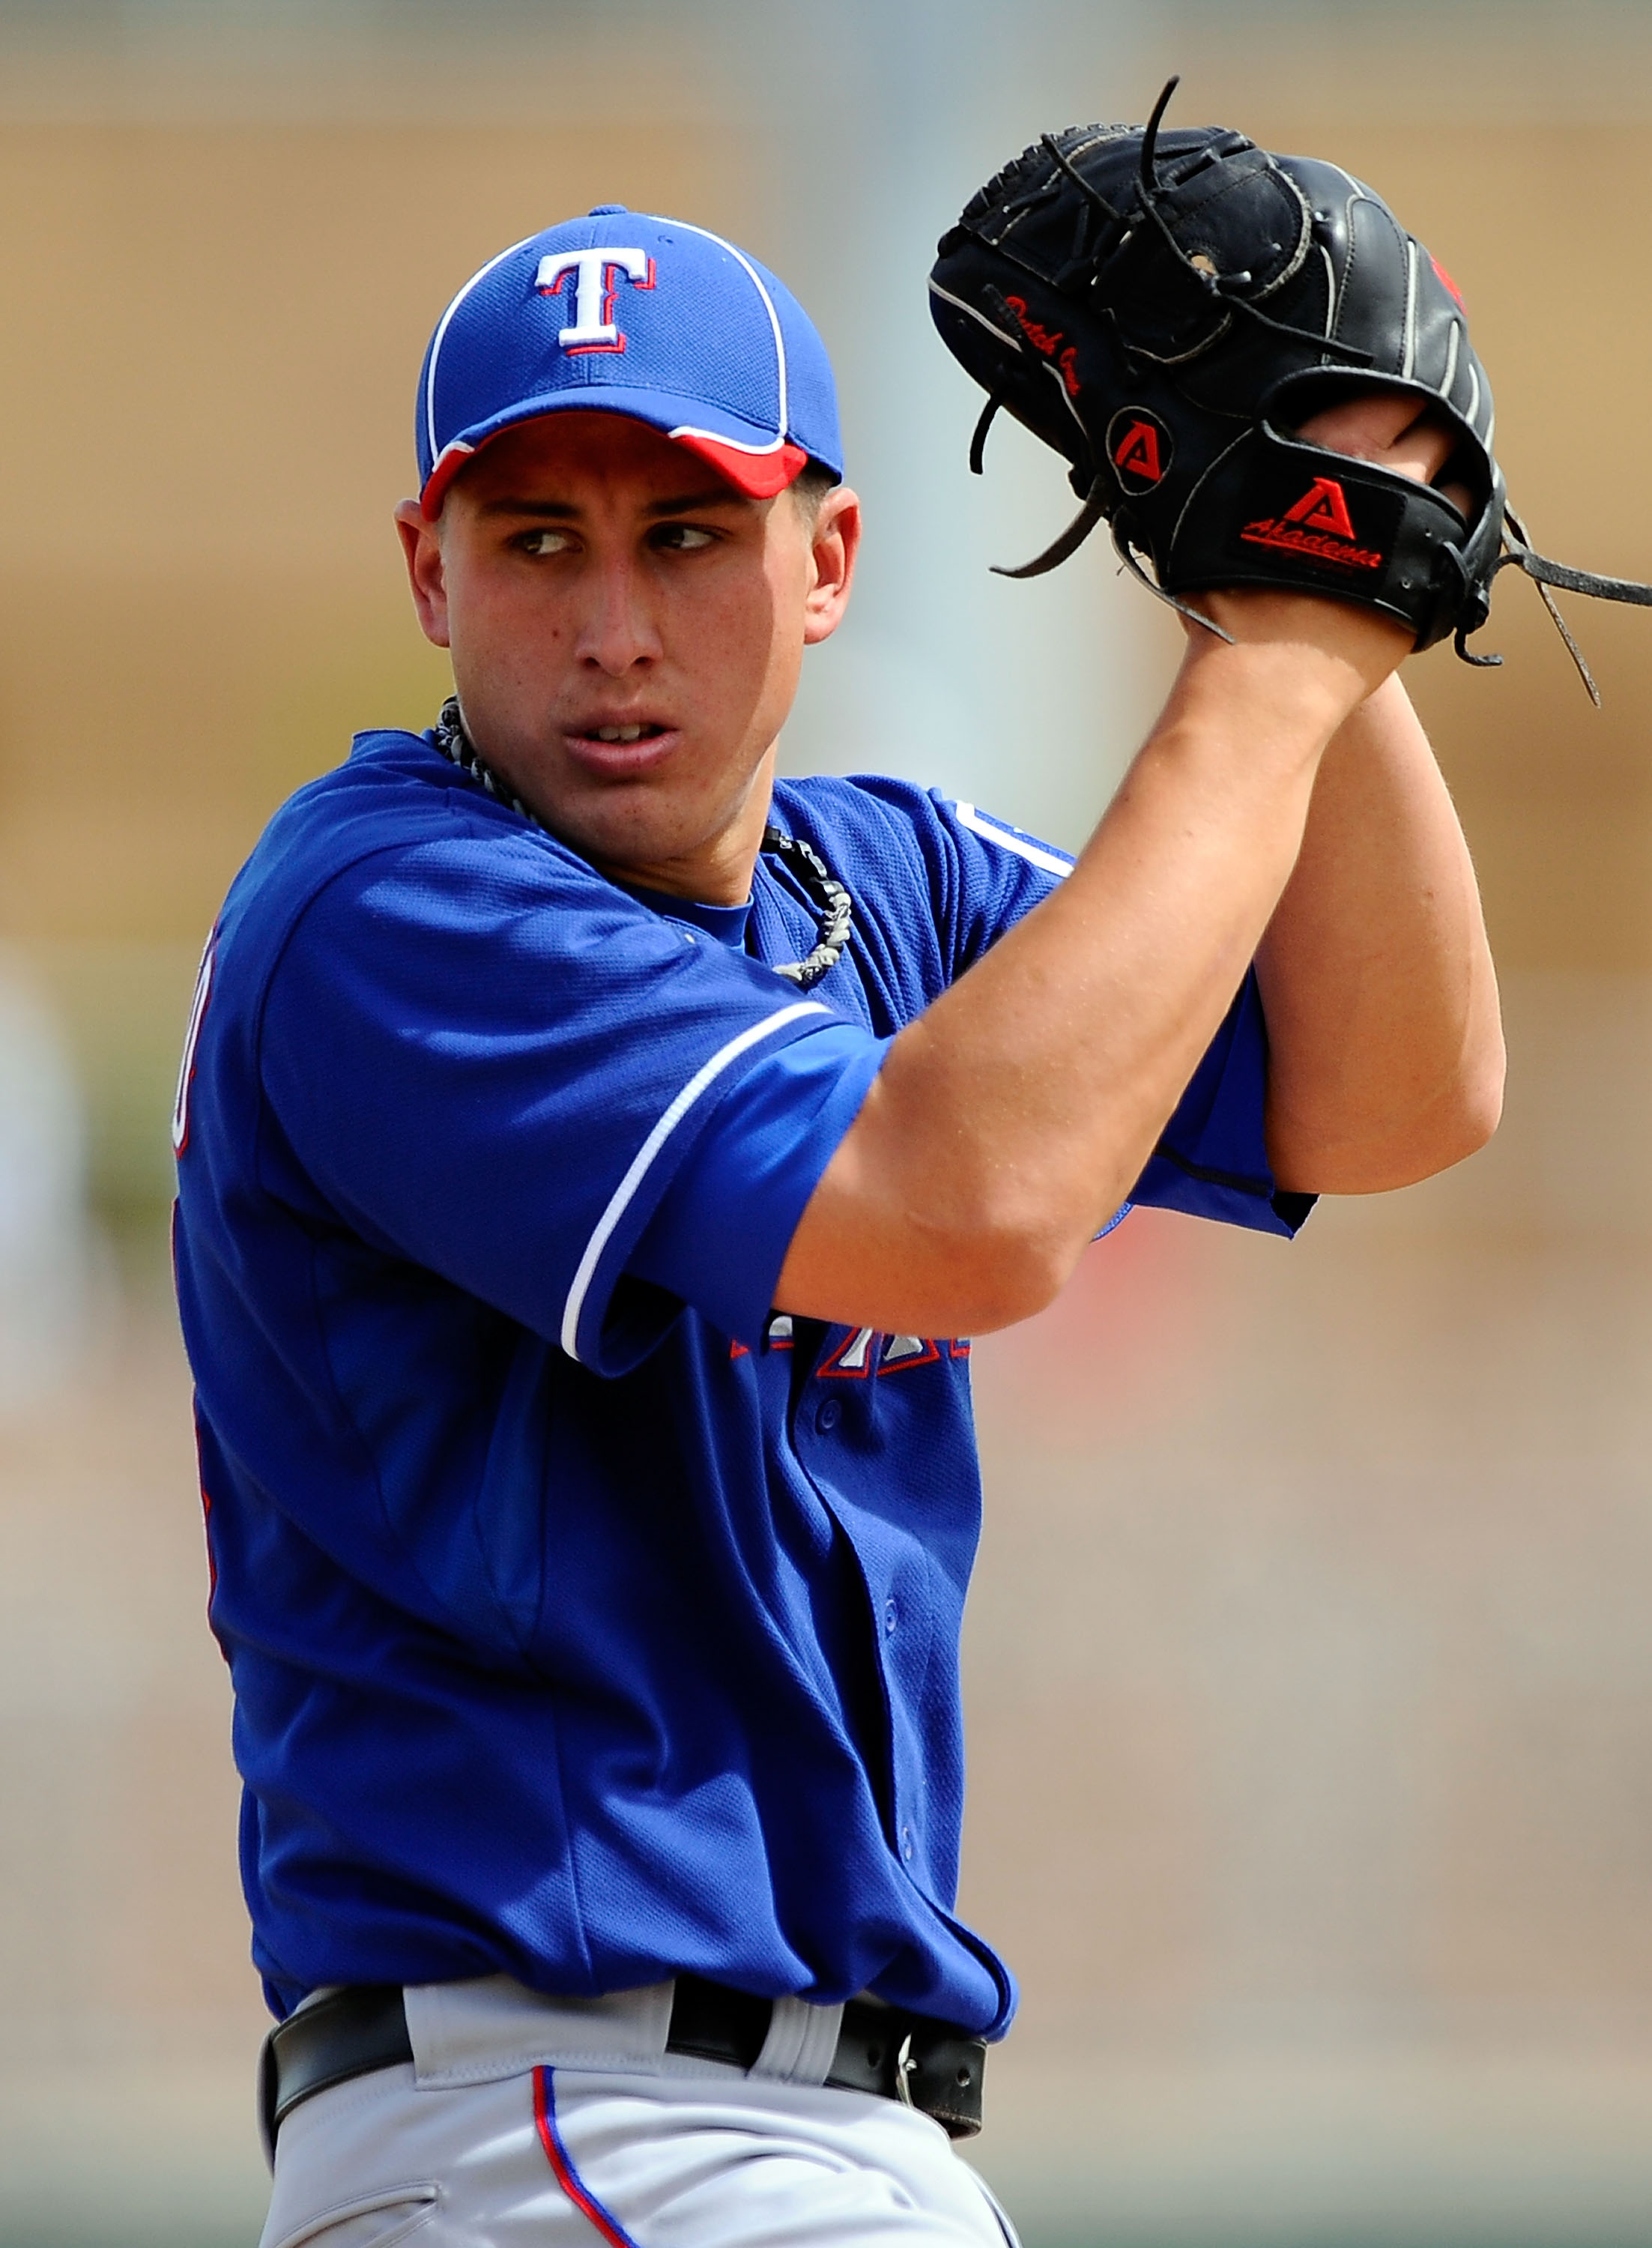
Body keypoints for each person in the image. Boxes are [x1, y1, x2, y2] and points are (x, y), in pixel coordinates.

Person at [172, 205, 1503, 2248]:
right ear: (429, 571)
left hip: (752, 2139)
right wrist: (1278, 635)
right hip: (563, 2120)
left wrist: (1321, 598)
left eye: (688, 535)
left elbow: (1398, 1097)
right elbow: (963, 1211)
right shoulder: (385, 915)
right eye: (539, 539)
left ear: (829, 563)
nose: (613, 623)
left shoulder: (877, 884)